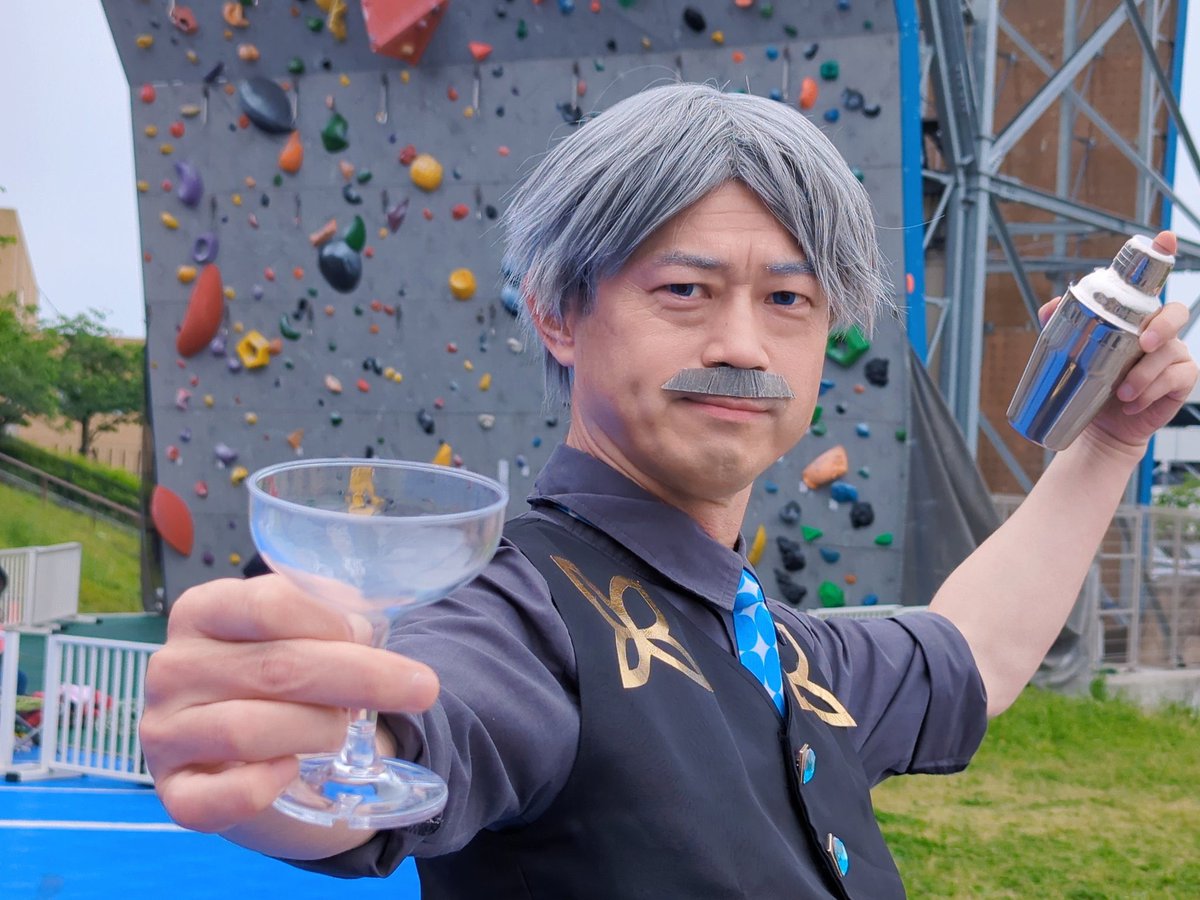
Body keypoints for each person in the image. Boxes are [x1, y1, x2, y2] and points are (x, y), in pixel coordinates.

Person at [138, 83, 1198, 898]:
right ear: (558, 313)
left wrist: (1108, 442)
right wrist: (287, 747)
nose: (742, 344)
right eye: (685, 289)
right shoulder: (517, 612)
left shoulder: (780, 649)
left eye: (789, 299)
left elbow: (977, 653)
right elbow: (420, 722)